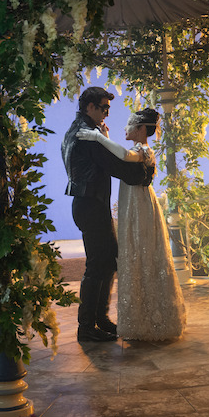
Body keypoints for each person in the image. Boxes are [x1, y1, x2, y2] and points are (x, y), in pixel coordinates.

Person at [76, 108, 186, 341]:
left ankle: (148, 316)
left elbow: (125, 156)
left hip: (139, 207)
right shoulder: (140, 148)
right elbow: (121, 155)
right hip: (133, 204)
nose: (124, 129)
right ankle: (136, 314)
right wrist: (105, 138)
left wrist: (99, 137)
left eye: (129, 126)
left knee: (142, 250)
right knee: (135, 251)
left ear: (139, 130)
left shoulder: (143, 149)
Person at [62, 87, 155, 342]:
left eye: (108, 109)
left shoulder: (78, 130)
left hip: (90, 204)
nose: (106, 113)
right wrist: (146, 174)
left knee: (107, 261)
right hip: (90, 205)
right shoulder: (87, 135)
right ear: (89, 107)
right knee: (97, 265)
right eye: (103, 108)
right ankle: (87, 326)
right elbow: (116, 166)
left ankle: (99, 320)